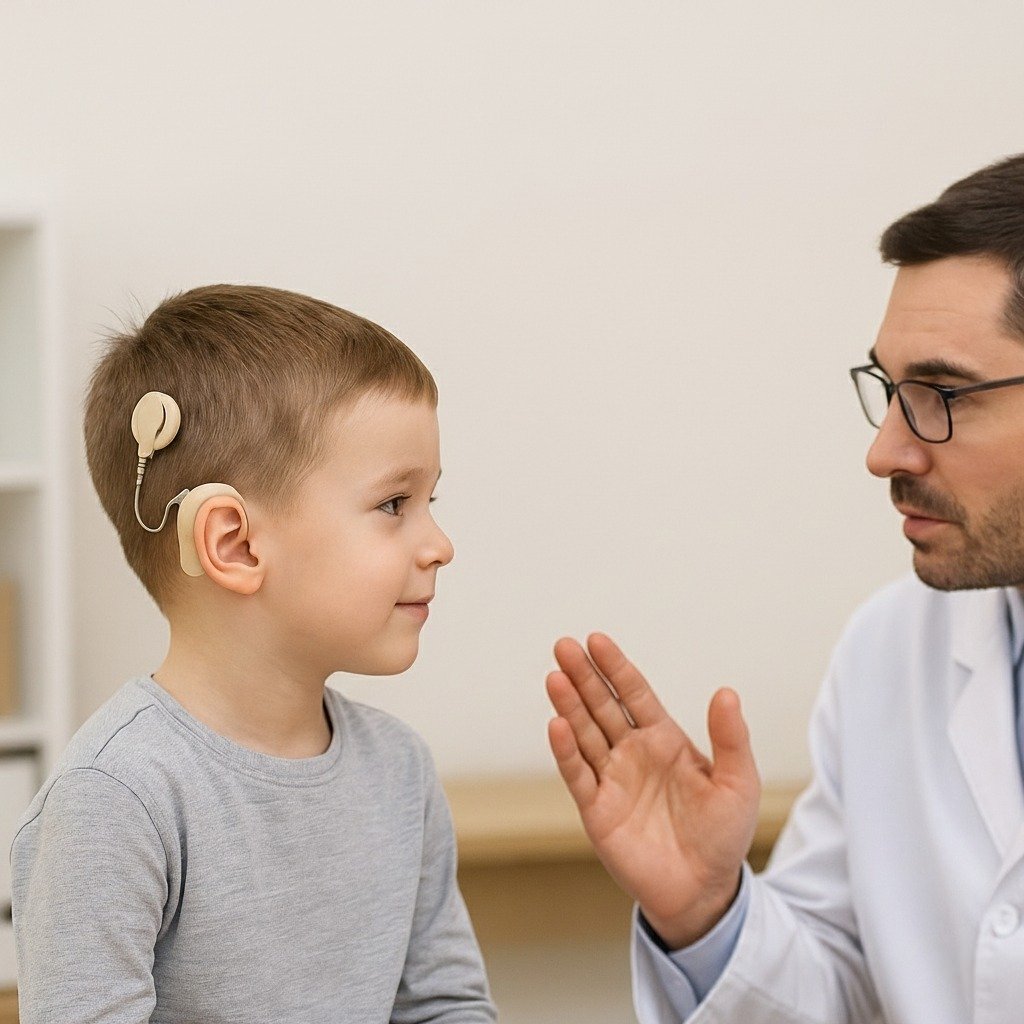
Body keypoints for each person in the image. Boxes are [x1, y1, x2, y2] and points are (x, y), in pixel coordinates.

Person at [546, 153, 1024, 1024]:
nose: (886, 451)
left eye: (943, 394)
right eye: (890, 389)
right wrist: (706, 915)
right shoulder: (892, 650)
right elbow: (843, 991)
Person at [10, 286, 496, 1023]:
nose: (440, 545)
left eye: (432, 501)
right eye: (395, 504)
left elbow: (444, 1005)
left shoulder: (399, 771)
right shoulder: (115, 798)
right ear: (234, 544)